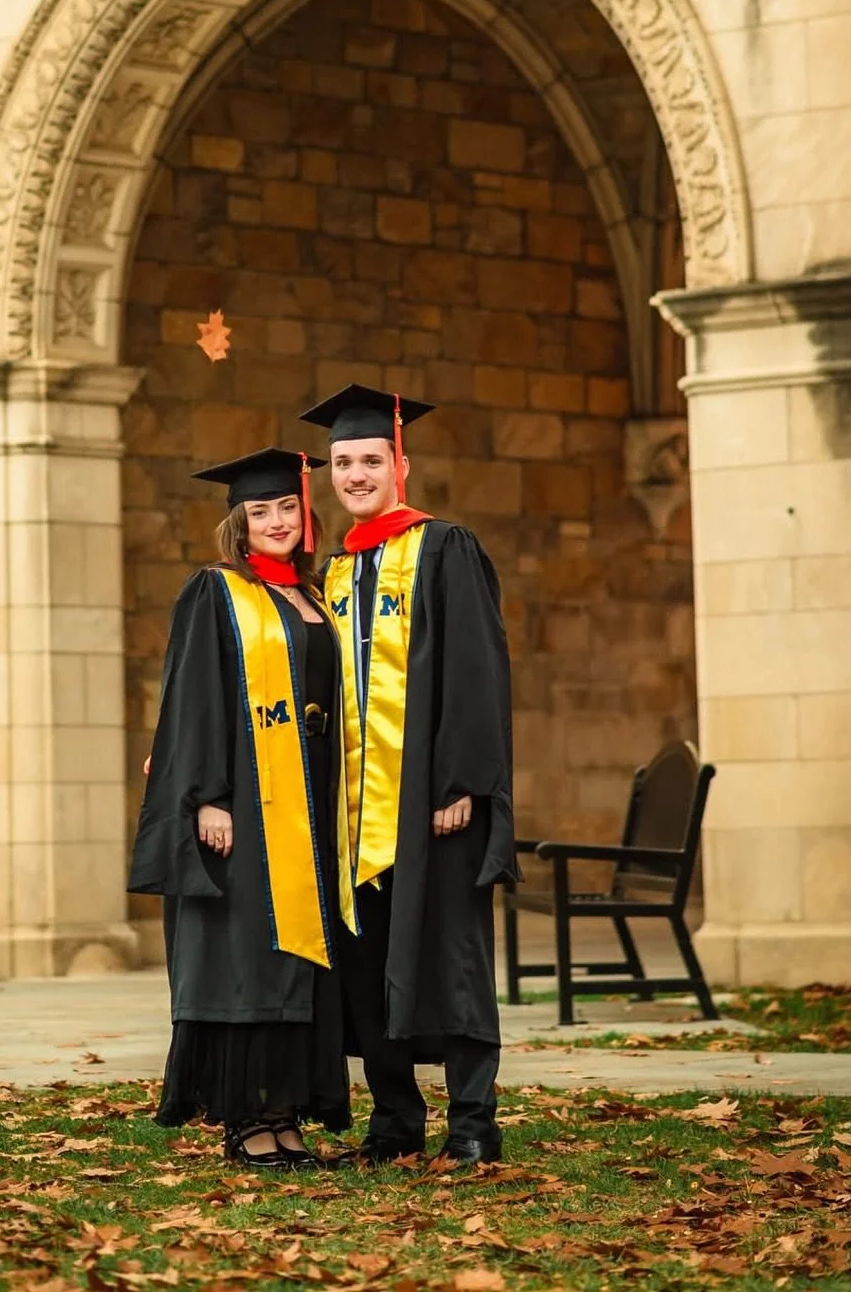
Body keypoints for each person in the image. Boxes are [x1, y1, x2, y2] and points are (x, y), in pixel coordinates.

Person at [299, 383, 515, 1167]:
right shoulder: (333, 575)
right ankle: (394, 1122)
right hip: (353, 818)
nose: (355, 475)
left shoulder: (445, 548)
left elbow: (477, 670)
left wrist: (460, 782)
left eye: (370, 460)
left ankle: (473, 1124)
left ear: (401, 465)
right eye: (342, 463)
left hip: (431, 807)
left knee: (453, 960)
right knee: (366, 966)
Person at [127, 447, 349, 1170]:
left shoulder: (315, 597)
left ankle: (285, 1115)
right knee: (246, 960)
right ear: (239, 523)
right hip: (248, 803)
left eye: (287, 507)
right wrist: (208, 798)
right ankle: (246, 1122)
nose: (277, 520)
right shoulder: (216, 591)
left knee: (295, 958)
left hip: (309, 803)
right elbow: (193, 699)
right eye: (261, 511)